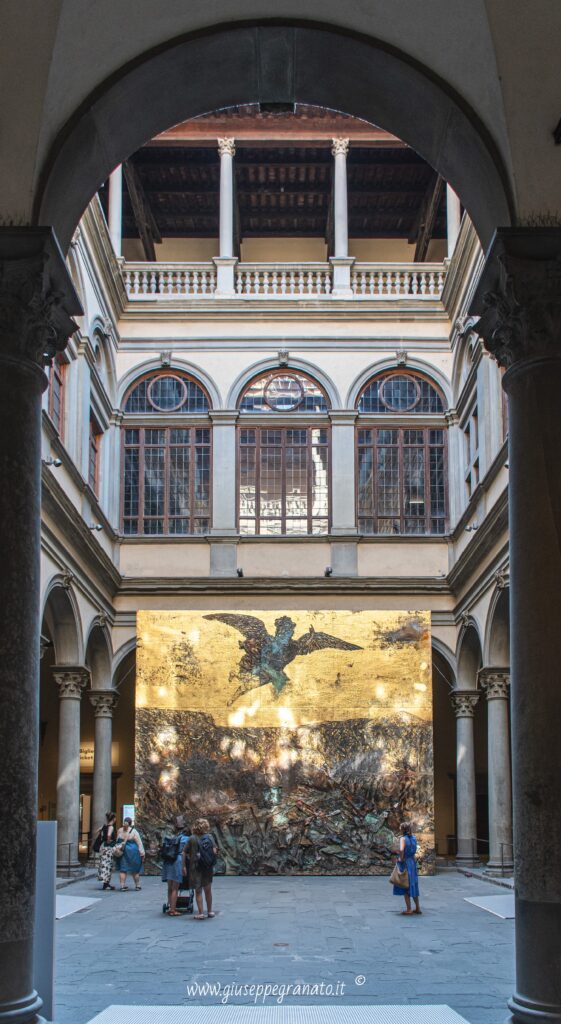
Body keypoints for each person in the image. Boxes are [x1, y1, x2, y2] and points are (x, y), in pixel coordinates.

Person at [183, 816, 218, 920]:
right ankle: (210, 911)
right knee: (208, 890)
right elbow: (215, 851)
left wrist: (183, 866)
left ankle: (201, 913)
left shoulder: (191, 838)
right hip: (207, 867)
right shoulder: (210, 837)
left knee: (198, 891)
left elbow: (184, 852)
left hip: (195, 867)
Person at [161, 816, 191, 916]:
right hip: (177, 861)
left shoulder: (173, 836)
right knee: (175, 888)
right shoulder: (186, 838)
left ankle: (170, 905)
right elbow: (186, 853)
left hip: (168, 861)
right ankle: (173, 910)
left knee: (170, 887)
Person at [393, 821, 421, 915]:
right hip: (412, 862)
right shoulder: (414, 838)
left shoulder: (403, 839)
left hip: (405, 862)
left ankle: (409, 909)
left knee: (405, 884)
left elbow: (401, 849)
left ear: (403, 830)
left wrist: (400, 858)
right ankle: (417, 908)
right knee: (413, 884)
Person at [115, 816, 145, 891]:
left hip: (123, 851)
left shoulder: (119, 830)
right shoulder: (134, 831)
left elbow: (117, 840)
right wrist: (142, 853)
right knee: (135, 870)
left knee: (123, 869)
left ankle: (122, 886)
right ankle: (137, 885)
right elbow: (139, 843)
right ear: (131, 823)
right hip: (133, 852)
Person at [97, 811, 117, 890]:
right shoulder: (111, 827)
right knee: (108, 865)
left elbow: (97, 831)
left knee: (104, 864)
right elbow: (109, 835)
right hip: (108, 848)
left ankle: (106, 883)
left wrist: (103, 837)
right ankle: (106, 884)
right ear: (113, 819)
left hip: (104, 847)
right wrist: (109, 840)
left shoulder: (104, 826)